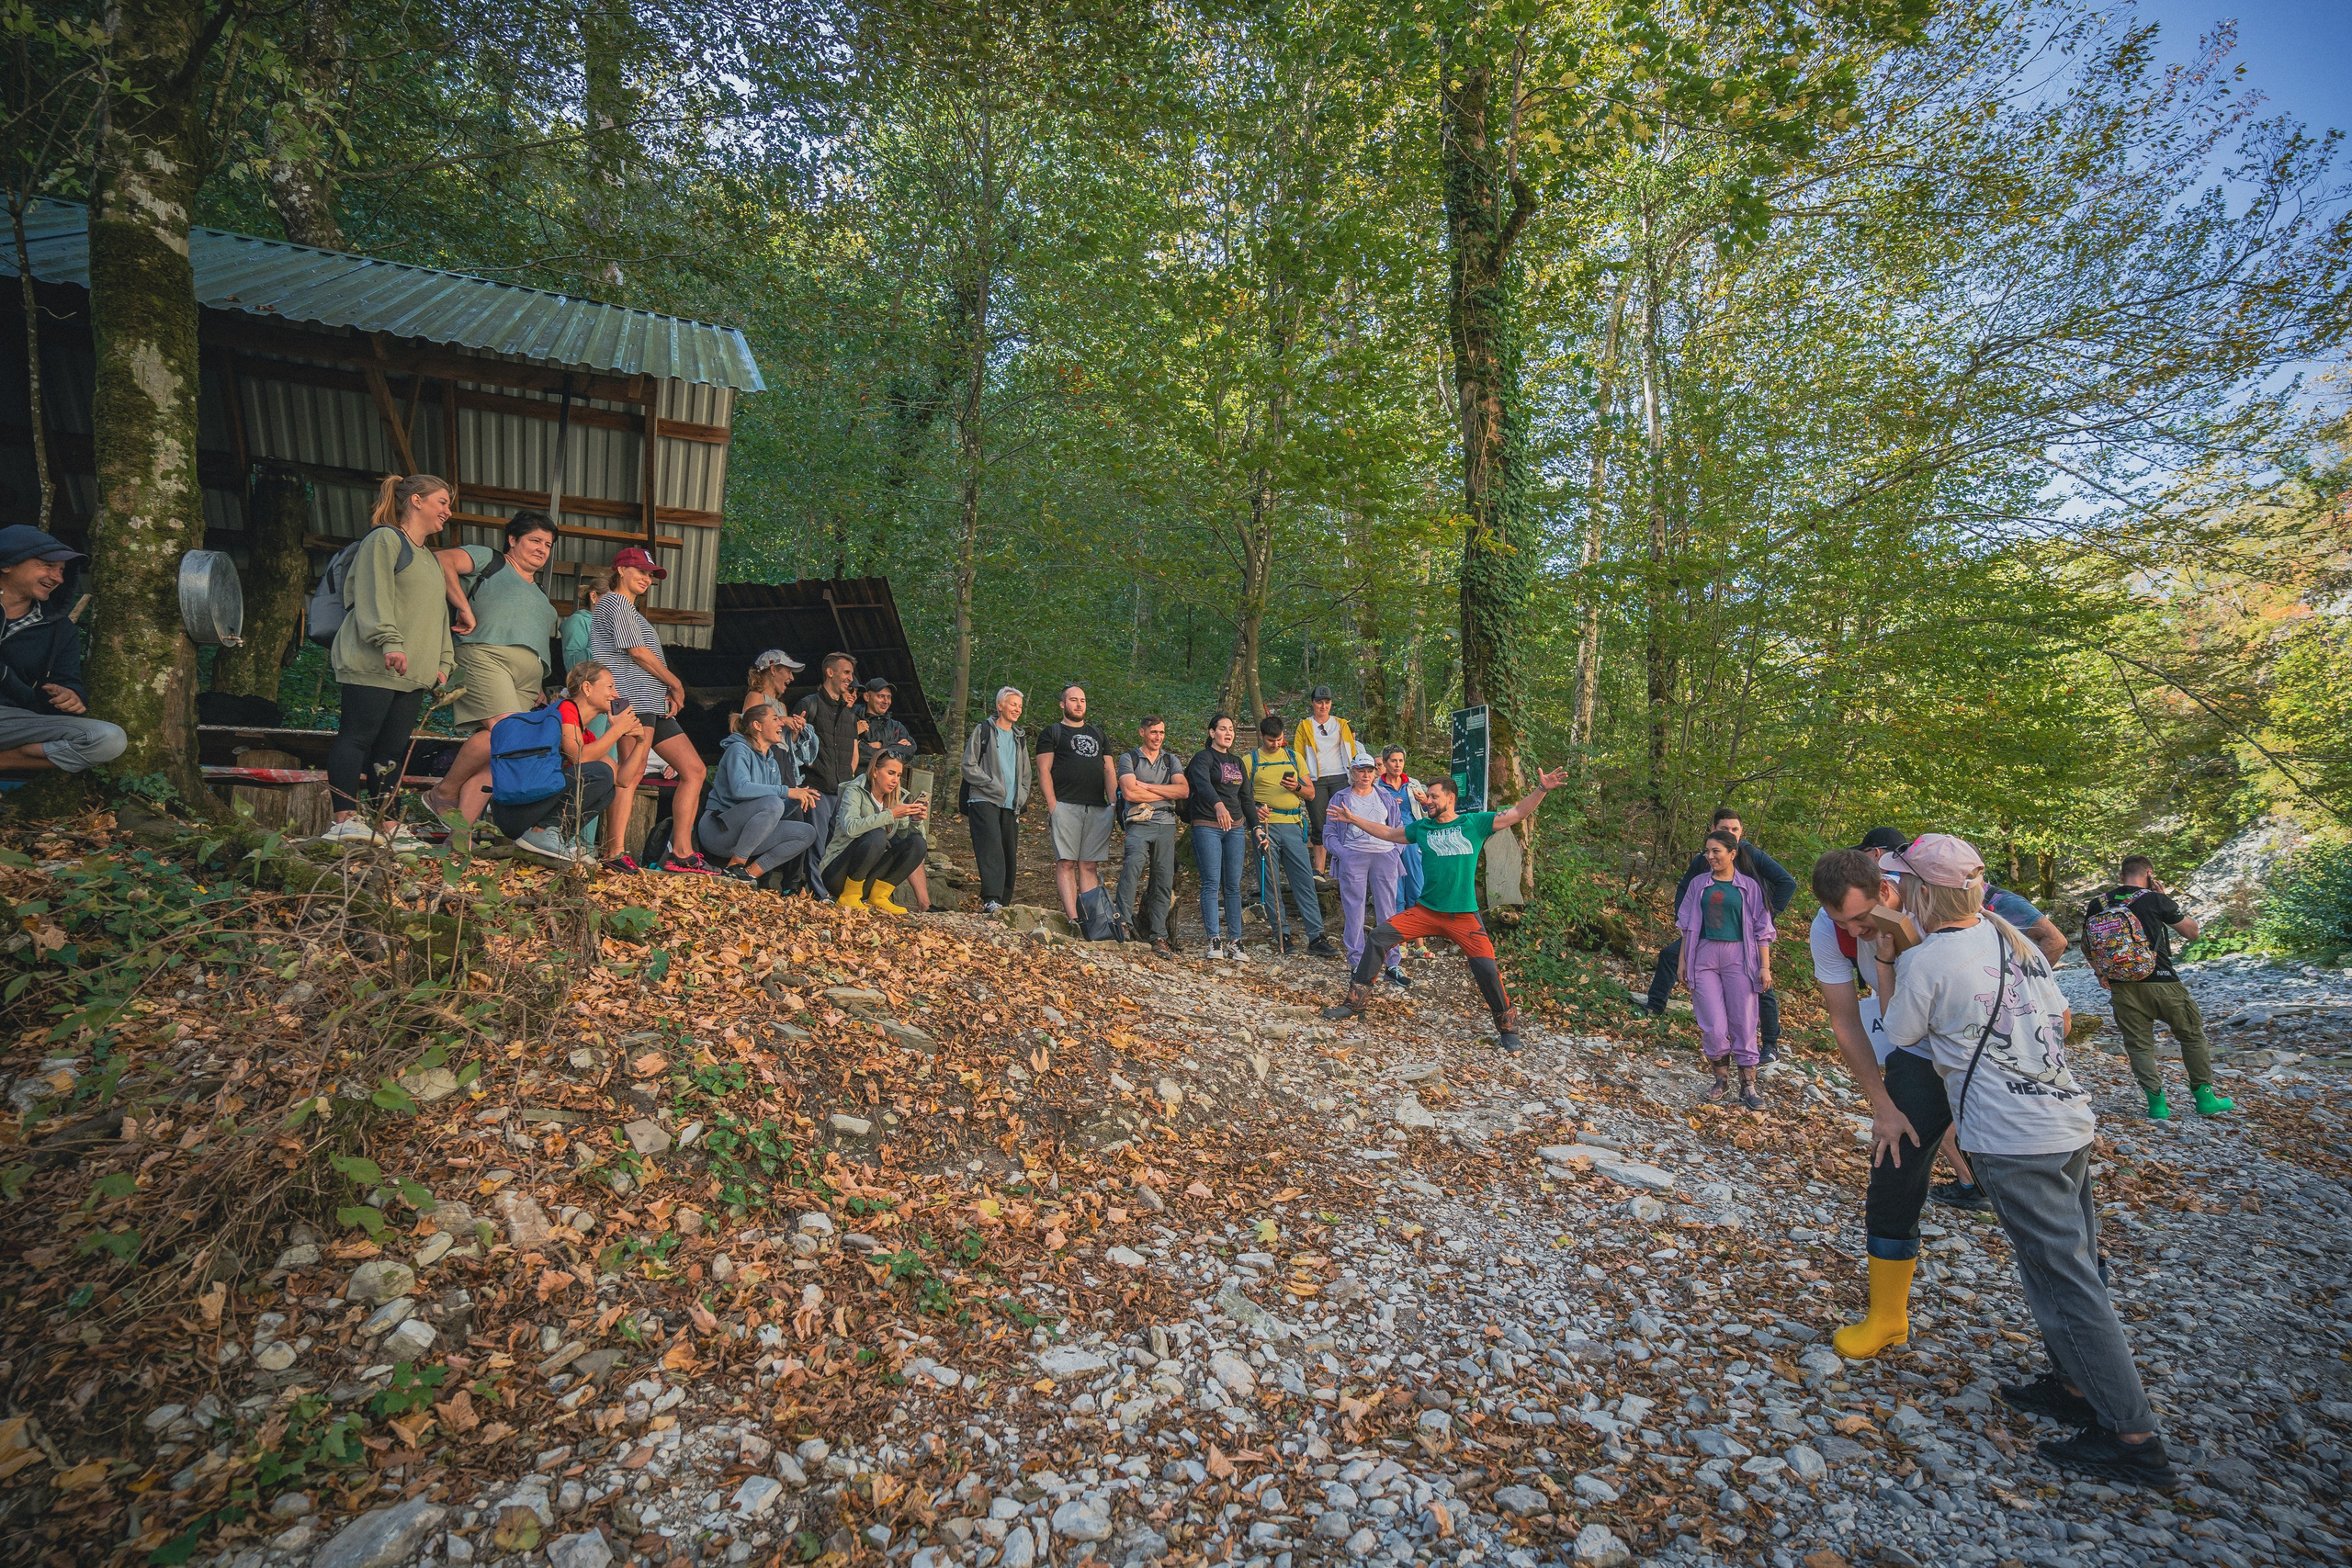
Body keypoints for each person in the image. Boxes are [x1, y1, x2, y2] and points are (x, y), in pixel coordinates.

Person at [1875, 832, 2175, 1487]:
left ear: (1923, 892)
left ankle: (2133, 1434)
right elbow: (2061, 1018)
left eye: (1904, 884)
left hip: (2012, 1137)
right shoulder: (2011, 938)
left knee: (2068, 1280)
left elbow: (1898, 1034)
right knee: (2057, 1266)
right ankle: (2072, 1384)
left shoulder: (1930, 960)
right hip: (2066, 1122)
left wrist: (1888, 955)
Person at [1813, 844, 1968, 1361]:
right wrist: (1881, 1104)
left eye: (1860, 919)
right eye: (1843, 922)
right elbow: (1846, 1021)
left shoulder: (1936, 894)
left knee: (2016, 1175)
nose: (1852, 931)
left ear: (1886, 890)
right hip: (1915, 1052)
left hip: (1978, 1049)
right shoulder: (1829, 927)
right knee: (1893, 1165)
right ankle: (1887, 1317)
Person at [1322, 764, 1572, 1052]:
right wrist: (1353, 819)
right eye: (1427, 796)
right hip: (1426, 912)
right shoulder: (1422, 828)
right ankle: (1355, 1004)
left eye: (1433, 797)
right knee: (1379, 937)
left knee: (1487, 969)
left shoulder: (1473, 824)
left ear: (1450, 799)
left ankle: (1507, 1028)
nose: (1427, 801)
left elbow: (1516, 813)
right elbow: (1389, 833)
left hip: (1463, 915)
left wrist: (1541, 789)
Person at [323, 474, 466, 846]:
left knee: (391, 750)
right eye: (441, 502)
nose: (447, 512)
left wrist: (443, 663)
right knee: (357, 738)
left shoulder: (430, 560)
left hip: (413, 674)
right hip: (373, 662)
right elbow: (373, 593)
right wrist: (389, 641)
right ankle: (345, 819)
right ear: (416, 501)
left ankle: (385, 825)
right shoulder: (385, 539)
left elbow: (438, 617)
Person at [419, 512, 565, 832]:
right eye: (535, 540)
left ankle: (458, 837)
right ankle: (443, 792)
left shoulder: (539, 592)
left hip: (528, 679)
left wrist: (539, 679)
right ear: (513, 540)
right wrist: (464, 606)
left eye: (548, 544)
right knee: (506, 734)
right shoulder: (491, 561)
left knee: (505, 752)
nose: (542, 549)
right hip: (486, 655)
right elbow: (441, 560)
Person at [587, 545, 710, 874]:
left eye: (650, 574)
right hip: (631, 700)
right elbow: (638, 653)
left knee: (695, 770)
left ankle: (681, 853)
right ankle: (613, 852)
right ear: (621, 571)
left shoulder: (631, 611)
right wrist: (676, 683)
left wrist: (664, 691)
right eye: (640, 571)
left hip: (651, 703)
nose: (646, 578)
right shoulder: (614, 603)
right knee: (632, 772)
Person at [2084, 855, 2235, 1122]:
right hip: (2162, 980)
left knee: (2139, 1046)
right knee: (2191, 1035)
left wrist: (2101, 973)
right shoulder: (2155, 899)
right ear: (2150, 874)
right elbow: (2192, 932)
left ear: (2121, 877)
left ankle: (2157, 1105)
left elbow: (2088, 945)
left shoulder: (2099, 903)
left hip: (2122, 985)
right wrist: (2166, 899)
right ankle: (2205, 1098)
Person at [1645, 807, 1798, 1061]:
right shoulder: (1705, 858)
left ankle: (1770, 1043)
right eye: (1724, 829)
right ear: (1712, 829)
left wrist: (1766, 917)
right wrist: (1684, 918)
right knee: (1670, 955)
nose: (1730, 833)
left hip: (1744, 936)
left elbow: (1787, 883)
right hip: (1705, 932)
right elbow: (1685, 887)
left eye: (1735, 829)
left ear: (1741, 833)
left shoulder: (1752, 856)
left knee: (1760, 980)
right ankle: (1653, 1007)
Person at [0, 526, 126, 775]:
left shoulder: (60, 630)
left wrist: (71, 696)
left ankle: (6, 760)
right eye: (47, 566)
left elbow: (65, 680)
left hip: (10, 721)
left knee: (108, 738)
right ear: (7, 564)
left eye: (61, 571)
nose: (57, 578)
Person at [488, 660, 641, 863]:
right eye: (610, 687)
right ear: (587, 687)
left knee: (608, 788)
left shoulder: (586, 736)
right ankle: (541, 831)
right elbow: (579, 757)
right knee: (600, 773)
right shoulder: (565, 709)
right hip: (516, 811)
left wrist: (640, 742)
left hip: (530, 808)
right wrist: (617, 730)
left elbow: (622, 780)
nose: (616, 695)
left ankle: (552, 837)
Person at [1677, 828, 1777, 1106]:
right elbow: (1686, 925)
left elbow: (1762, 930)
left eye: (1715, 851)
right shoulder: (1699, 884)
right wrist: (1683, 961)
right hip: (1704, 956)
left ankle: (1749, 1086)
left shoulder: (1749, 887)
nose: (1709, 856)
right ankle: (1721, 1080)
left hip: (1740, 958)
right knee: (1713, 1024)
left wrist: (1765, 967)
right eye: (1707, 851)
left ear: (1732, 854)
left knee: (1744, 1021)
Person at [699, 699, 824, 887]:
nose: (781, 723)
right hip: (718, 829)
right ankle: (735, 865)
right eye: (775, 719)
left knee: (807, 832)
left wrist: (796, 799)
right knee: (774, 802)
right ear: (757, 725)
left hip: (745, 834)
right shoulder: (738, 749)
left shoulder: (771, 761)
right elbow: (740, 788)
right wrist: (787, 791)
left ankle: (749, 874)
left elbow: (776, 812)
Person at [1244, 715, 1340, 957]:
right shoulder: (1250, 761)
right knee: (1271, 882)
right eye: (1270, 740)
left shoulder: (1294, 758)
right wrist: (1255, 809)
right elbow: (1240, 798)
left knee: (1305, 880)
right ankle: (1282, 934)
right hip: (1265, 827)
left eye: (1279, 739)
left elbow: (1310, 794)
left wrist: (1296, 786)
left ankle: (1316, 936)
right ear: (1261, 737)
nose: (1276, 744)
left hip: (1293, 824)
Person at [1326, 748, 1408, 987]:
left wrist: (1396, 851)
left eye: (1369, 770)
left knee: (1388, 910)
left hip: (1384, 855)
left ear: (1375, 773)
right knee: (1355, 910)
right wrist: (1344, 854)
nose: (1365, 775)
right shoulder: (1341, 797)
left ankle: (1392, 963)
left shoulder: (1385, 797)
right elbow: (1329, 833)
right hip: (1355, 856)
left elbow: (1398, 827)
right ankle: (1357, 963)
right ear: (1352, 772)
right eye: (1360, 770)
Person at [1036, 683, 1116, 926]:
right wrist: (1053, 805)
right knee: (1067, 862)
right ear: (1063, 704)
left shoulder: (1098, 734)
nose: (1079, 704)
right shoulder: (1052, 732)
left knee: (1089, 865)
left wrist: (1113, 804)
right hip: (1065, 806)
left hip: (1097, 808)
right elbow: (1043, 769)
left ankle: (1092, 921)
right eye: (1073, 700)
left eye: (1082, 700)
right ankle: (1074, 918)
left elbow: (1109, 769)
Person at [819, 750, 928, 912]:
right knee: (877, 834)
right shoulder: (854, 790)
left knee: (918, 843)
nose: (895, 780)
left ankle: (879, 897)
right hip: (837, 874)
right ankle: (848, 898)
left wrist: (916, 821)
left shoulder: (895, 798)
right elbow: (851, 828)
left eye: (898, 775)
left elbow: (908, 844)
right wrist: (890, 814)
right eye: (891, 773)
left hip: (867, 878)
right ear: (875, 771)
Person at [1114, 715, 1188, 954]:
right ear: (1142, 733)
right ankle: (1122, 922)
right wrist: (1166, 793)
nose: (1158, 737)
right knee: (1133, 865)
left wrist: (1146, 786)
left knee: (1163, 880)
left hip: (1166, 825)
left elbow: (1183, 790)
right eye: (1154, 732)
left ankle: (1158, 936)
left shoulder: (1170, 760)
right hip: (1138, 822)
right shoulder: (1130, 758)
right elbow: (1129, 793)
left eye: (1162, 733)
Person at [1185, 715, 1252, 961]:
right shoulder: (1203, 758)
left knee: (1233, 886)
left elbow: (1246, 796)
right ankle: (1214, 939)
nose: (1228, 733)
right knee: (1212, 882)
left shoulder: (1237, 762)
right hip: (1207, 824)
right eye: (1222, 729)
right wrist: (1218, 805)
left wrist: (1255, 826)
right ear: (1212, 732)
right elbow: (1202, 784)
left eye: (1231, 729)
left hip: (1235, 827)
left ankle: (1236, 942)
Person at [959, 686, 1028, 913]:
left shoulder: (1020, 738)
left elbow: (1026, 774)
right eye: (1012, 704)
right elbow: (968, 765)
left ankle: (1003, 903)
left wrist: (1022, 794)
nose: (1017, 709)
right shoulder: (984, 730)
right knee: (991, 849)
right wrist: (991, 784)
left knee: (1009, 851)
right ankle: (991, 898)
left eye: (1019, 706)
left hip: (1011, 804)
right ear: (1000, 706)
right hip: (983, 799)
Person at [1293, 687, 1357, 879]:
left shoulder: (1341, 724)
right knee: (1319, 822)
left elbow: (1351, 752)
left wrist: (1354, 776)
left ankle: (1345, 865)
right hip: (1315, 780)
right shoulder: (1305, 726)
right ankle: (1319, 870)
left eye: (1327, 702)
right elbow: (1298, 755)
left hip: (1340, 777)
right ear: (1313, 703)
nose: (1323, 706)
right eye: (1319, 702)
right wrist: (1302, 779)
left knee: (1343, 821)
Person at [797, 651, 865, 796]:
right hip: (814, 790)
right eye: (846, 672)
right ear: (830, 672)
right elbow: (792, 748)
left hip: (842, 793)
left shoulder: (850, 715)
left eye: (851, 674)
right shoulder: (808, 704)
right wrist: (815, 769)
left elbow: (854, 753)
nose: (850, 678)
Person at [1372, 745, 1429, 911]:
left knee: (1416, 884)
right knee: (1395, 888)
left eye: (1401, 761)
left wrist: (1424, 801)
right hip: (1389, 840)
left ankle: (1417, 930)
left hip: (1412, 838)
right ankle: (1398, 932)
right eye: (1393, 761)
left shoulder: (1413, 784)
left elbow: (1427, 812)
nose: (1398, 765)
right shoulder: (1376, 787)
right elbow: (1371, 815)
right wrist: (1387, 806)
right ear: (1385, 763)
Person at [859, 678, 917, 762]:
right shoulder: (856, 720)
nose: (886, 701)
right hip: (861, 774)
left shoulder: (897, 726)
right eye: (881, 696)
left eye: (889, 697)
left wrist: (881, 745)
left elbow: (911, 750)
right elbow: (858, 753)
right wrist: (895, 748)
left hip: (889, 776)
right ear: (867, 697)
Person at [560, 567, 605, 673]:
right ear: (593, 596)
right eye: (611, 598)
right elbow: (572, 664)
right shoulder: (578, 621)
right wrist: (608, 645)